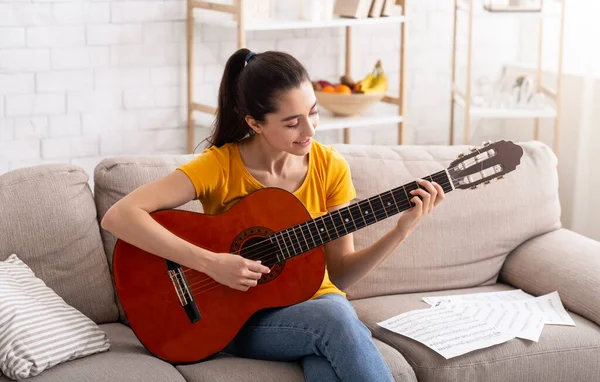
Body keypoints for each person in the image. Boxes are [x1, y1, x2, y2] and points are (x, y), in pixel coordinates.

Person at [101, 48, 445, 381]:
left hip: (317, 310)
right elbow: (120, 215)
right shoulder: (220, 166)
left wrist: (401, 230)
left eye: (313, 112)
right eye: (293, 123)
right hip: (236, 319)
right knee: (337, 317)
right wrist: (210, 263)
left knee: (329, 334)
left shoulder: (330, 166)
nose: (310, 131)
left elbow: (339, 276)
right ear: (255, 122)